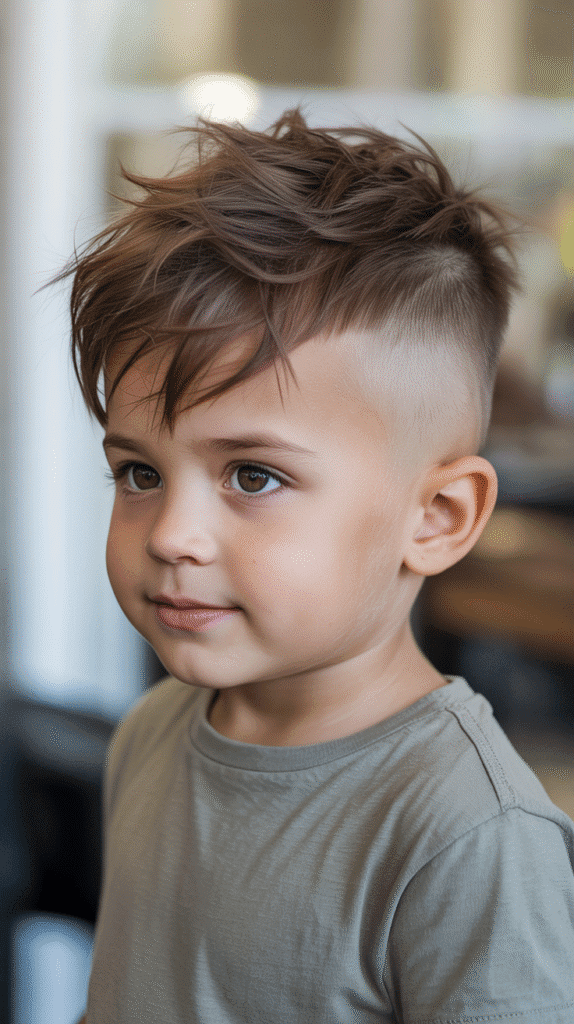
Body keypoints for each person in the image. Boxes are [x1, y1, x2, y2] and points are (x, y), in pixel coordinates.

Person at [65, 109, 574, 1023]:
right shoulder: (153, 732)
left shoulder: (469, 835)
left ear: (437, 517)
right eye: (139, 472)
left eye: (252, 475)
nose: (171, 534)